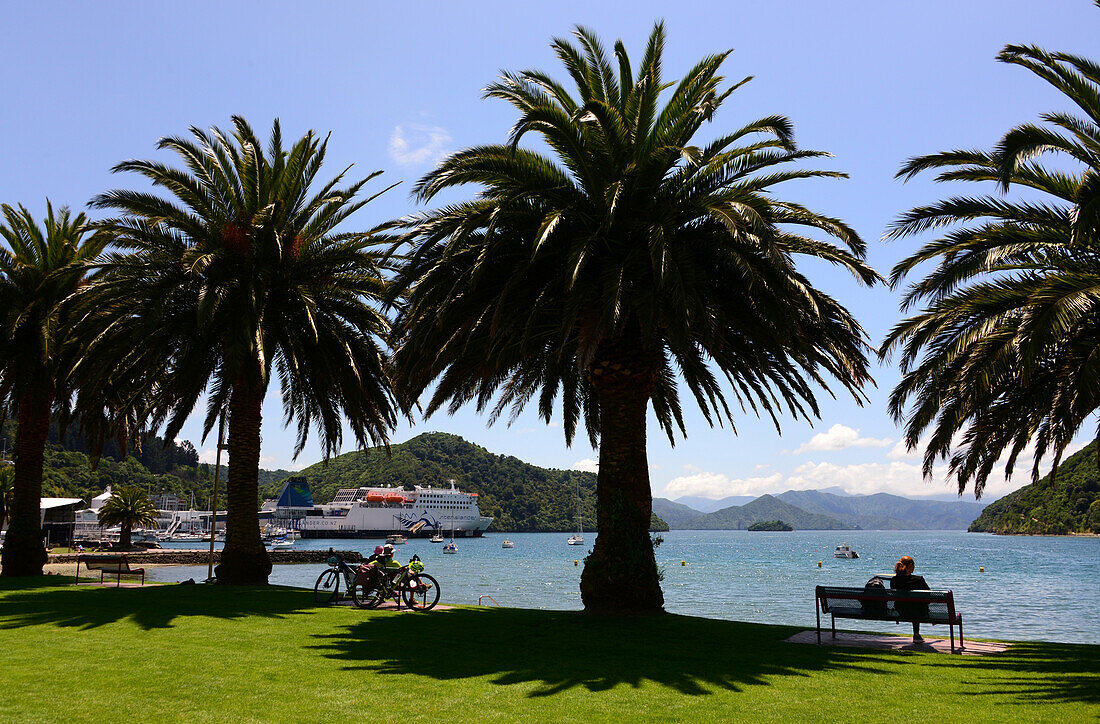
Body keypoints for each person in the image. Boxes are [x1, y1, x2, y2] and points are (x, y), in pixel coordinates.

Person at [890, 555, 930, 642]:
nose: (914, 567)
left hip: (901, 610)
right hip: (918, 612)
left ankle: (917, 635)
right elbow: (929, 594)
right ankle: (916, 634)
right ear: (910, 565)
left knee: (912, 605)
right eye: (914, 565)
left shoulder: (894, 580)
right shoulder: (918, 579)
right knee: (916, 606)